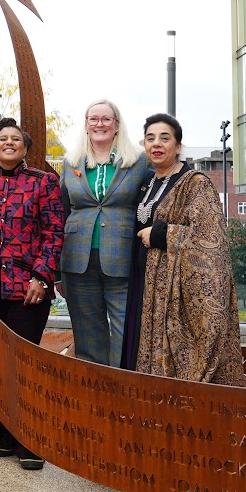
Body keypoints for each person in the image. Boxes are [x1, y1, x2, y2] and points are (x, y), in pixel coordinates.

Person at [0, 117, 65, 470]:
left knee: (24, 362)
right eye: (2, 139)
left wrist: (41, 276)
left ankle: (30, 440)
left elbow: (54, 233)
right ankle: (6, 436)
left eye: (16, 139)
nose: (9, 143)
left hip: (27, 287)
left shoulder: (44, 182)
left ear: (25, 147)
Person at [121, 113, 246, 385]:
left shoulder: (195, 183)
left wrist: (162, 234)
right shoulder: (148, 183)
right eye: (150, 138)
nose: (157, 144)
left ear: (178, 146)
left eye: (165, 138)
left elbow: (211, 239)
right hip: (145, 285)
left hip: (173, 295)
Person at [57, 100, 148, 366]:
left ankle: (123, 386)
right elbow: (61, 211)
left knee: (126, 329)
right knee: (87, 332)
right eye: (93, 119)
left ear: (117, 125)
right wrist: (57, 272)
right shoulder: (71, 162)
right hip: (77, 260)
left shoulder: (138, 161)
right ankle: (95, 390)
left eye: (106, 119)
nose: (100, 124)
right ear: (86, 124)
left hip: (123, 258)